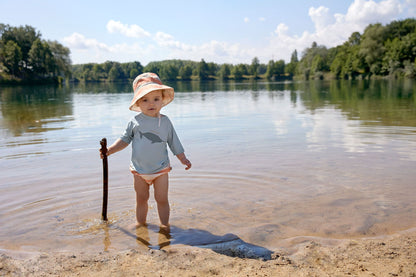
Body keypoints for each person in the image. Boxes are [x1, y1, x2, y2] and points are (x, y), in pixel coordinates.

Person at [100, 72, 191, 230]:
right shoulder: (135, 122)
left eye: (156, 99)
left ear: (162, 100)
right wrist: (109, 151)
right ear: (138, 102)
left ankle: (164, 225)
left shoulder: (165, 122)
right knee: (141, 199)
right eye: (145, 100)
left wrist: (182, 158)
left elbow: (174, 142)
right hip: (139, 171)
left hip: (161, 169)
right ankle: (140, 223)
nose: (151, 104)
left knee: (162, 199)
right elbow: (124, 140)